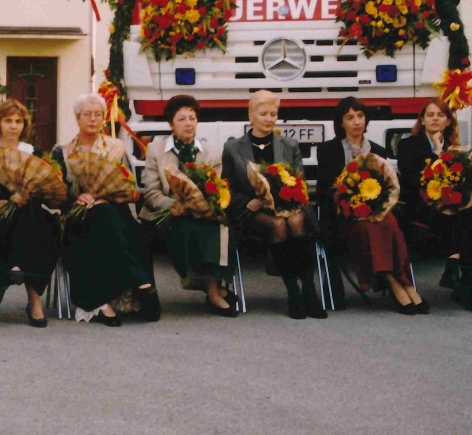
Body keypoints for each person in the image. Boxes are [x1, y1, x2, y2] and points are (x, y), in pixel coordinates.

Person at [53, 94, 160, 325]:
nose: (93, 119)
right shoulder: (62, 152)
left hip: (114, 211)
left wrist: (106, 195)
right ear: (77, 118)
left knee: (133, 227)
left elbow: (127, 186)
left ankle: (133, 293)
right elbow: (55, 194)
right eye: (87, 114)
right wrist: (75, 198)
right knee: (102, 216)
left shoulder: (116, 148)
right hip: (77, 217)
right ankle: (131, 287)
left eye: (98, 114)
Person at [223, 90, 326, 319]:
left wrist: (287, 198)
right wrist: (246, 201)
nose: (269, 119)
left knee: (297, 220)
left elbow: (300, 180)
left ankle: (309, 291)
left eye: (273, 113)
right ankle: (293, 293)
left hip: (291, 204)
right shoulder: (233, 148)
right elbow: (227, 185)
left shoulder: (289, 144)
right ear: (251, 115)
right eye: (263, 114)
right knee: (279, 225)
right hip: (254, 210)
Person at [317, 97, 426, 314]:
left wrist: (375, 206)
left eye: (360, 116)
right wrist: (351, 202)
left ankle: (403, 283)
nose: (356, 121)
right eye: (350, 117)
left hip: (377, 212)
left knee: (390, 222)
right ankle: (396, 283)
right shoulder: (328, 151)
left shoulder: (377, 150)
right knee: (370, 226)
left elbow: (387, 186)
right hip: (346, 216)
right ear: (341, 123)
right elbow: (325, 192)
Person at [139, 95, 236, 317]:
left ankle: (213, 291)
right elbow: (151, 193)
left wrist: (202, 205)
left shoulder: (211, 152)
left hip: (201, 213)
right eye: (181, 118)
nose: (188, 123)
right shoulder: (156, 150)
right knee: (181, 229)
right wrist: (172, 204)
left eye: (192, 118)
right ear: (171, 124)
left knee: (218, 226)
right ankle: (203, 284)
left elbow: (218, 189)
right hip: (165, 214)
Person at [0, 100, 60, 326]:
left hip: (28, 216)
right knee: (15, 222)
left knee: (37, 221)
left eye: (18, 121)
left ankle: (33, 298)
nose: (13, 126)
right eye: (8, 120)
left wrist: (28, 196)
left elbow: (43, 191)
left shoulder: (32, 153)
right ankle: (18, 269)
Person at [396, 98, 472, 315]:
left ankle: (464, 277)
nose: (435, 119)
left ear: (448, 121)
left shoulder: (457, 149)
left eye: (440, 115)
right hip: (422, 208)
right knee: (467, 223)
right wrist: (437, 154)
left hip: (452, 211)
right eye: (430, 115)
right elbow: (412, 180)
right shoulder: (408, 145)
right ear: (422, 120)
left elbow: (465, 182)